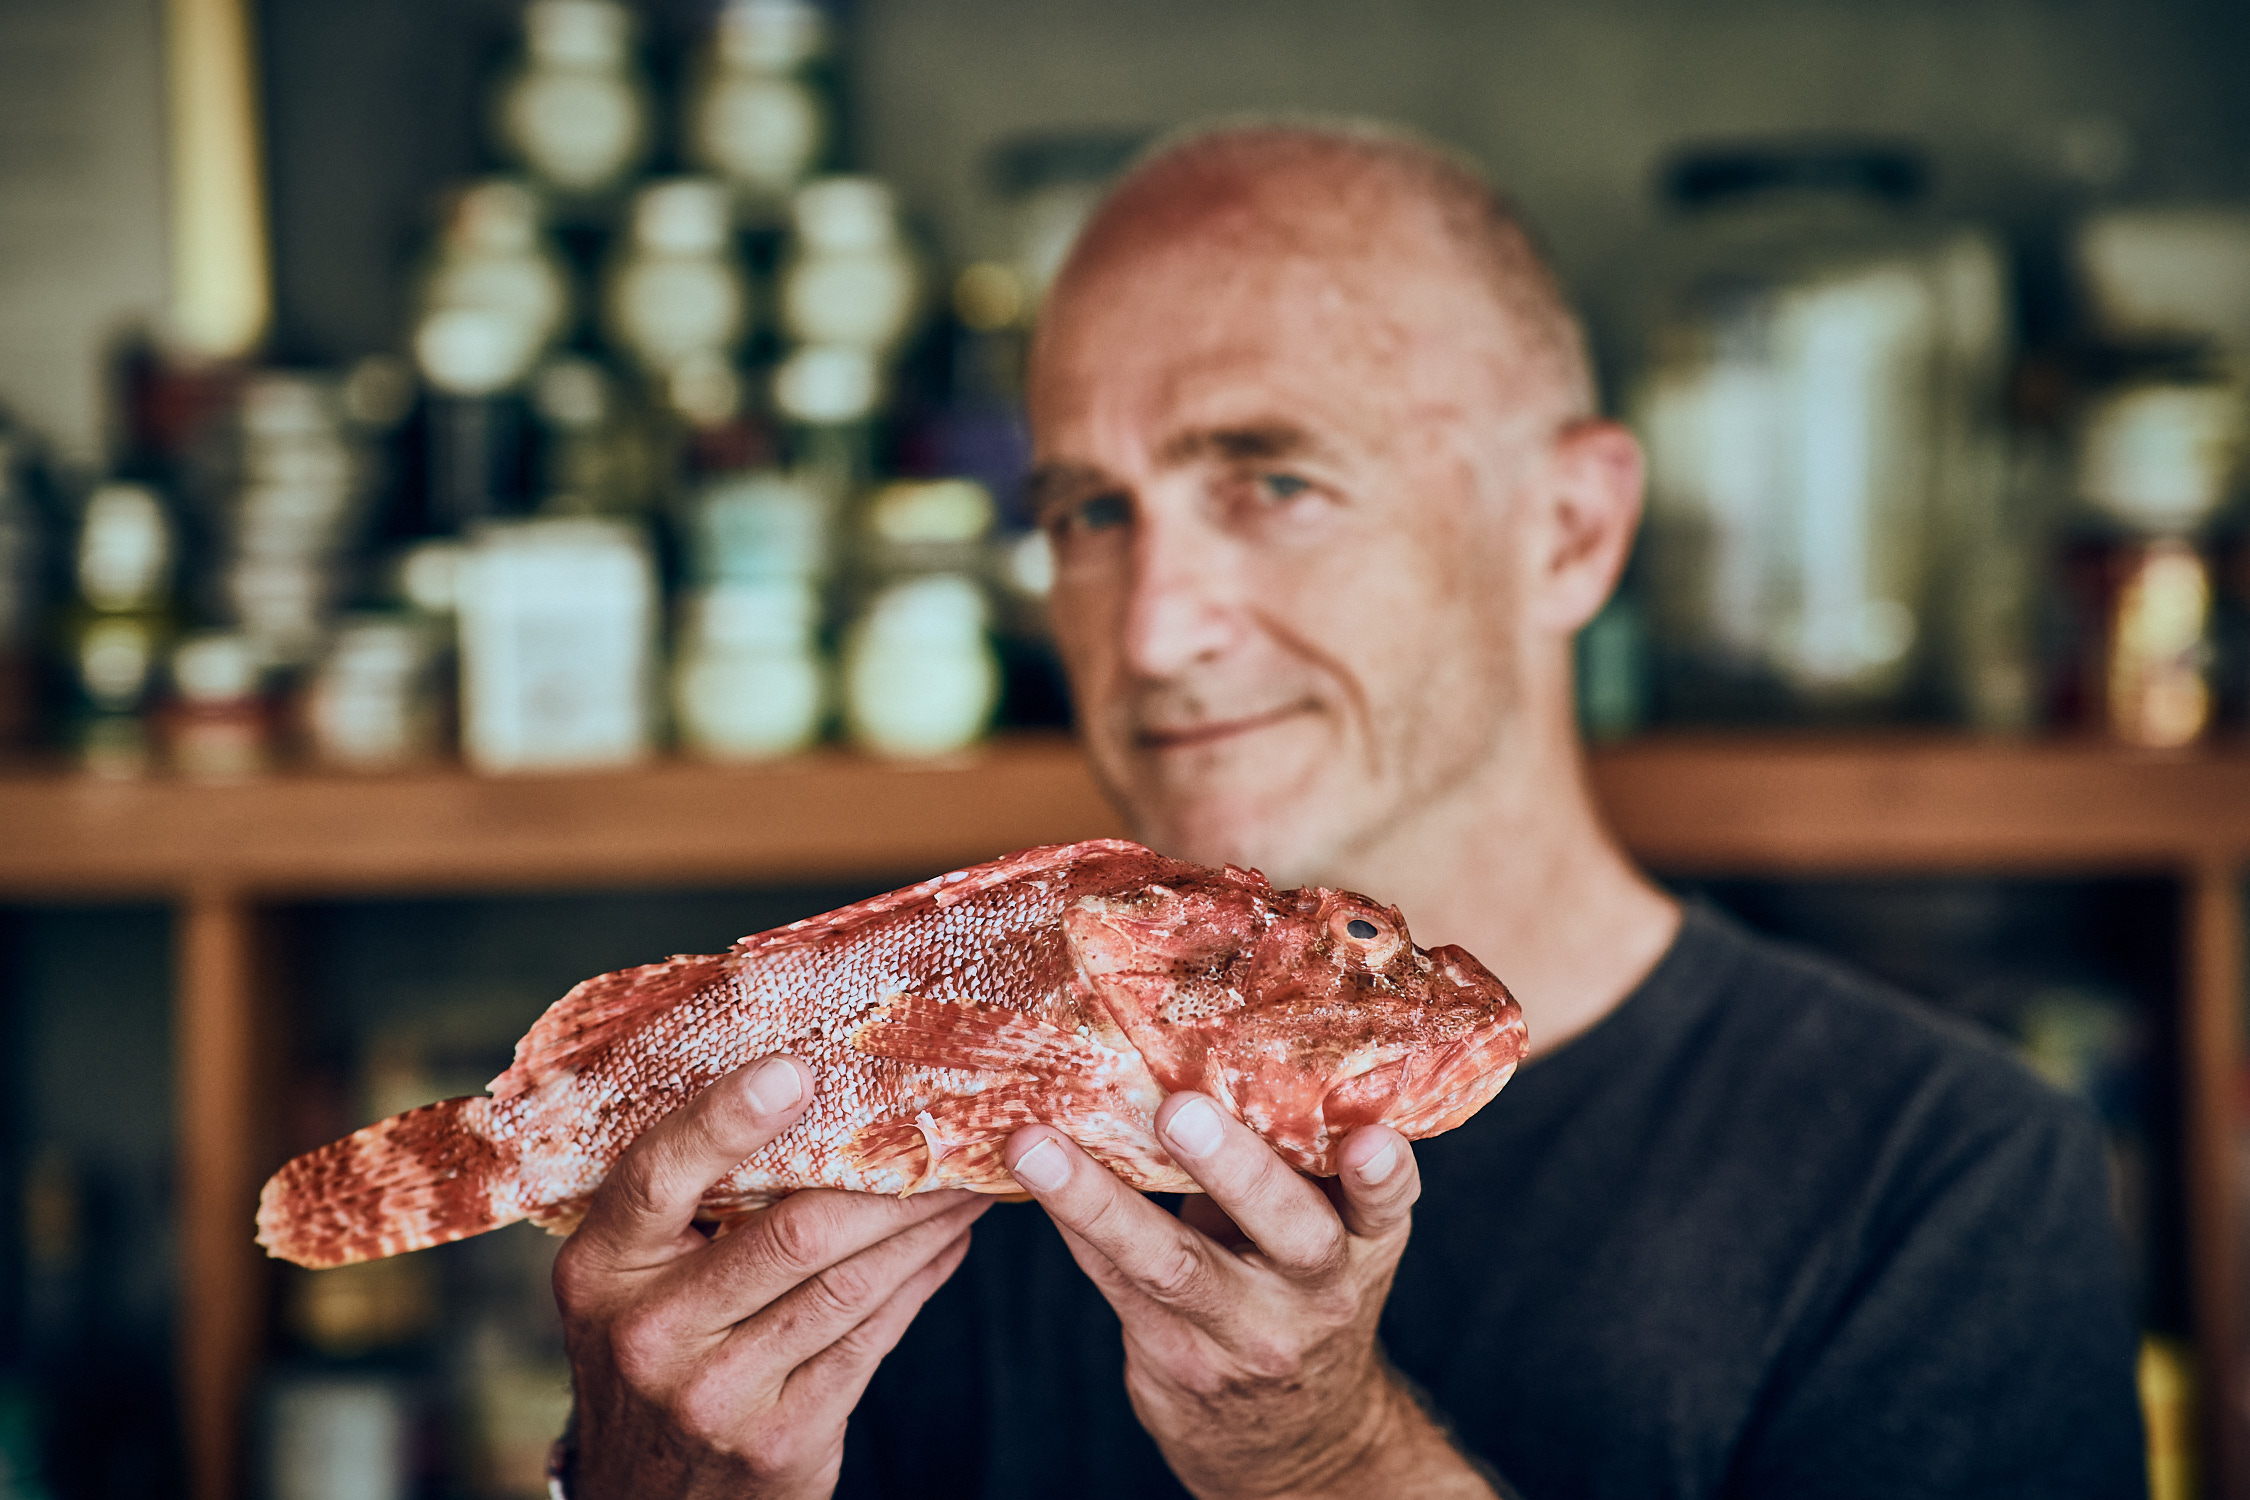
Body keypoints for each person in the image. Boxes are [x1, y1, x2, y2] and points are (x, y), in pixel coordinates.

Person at [547, 121, 2145, 1499]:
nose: (1152, 627)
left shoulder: (1950, 1183)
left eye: (1272, 481)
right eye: (1091, 511)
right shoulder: (886, 1113)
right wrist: (640, 1478)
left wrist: (1320, 1463)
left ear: (1571, 532)